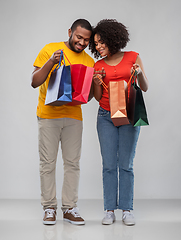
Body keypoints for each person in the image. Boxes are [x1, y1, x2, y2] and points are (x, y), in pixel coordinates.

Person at [31, 19, 94, 225]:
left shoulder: (88, 61)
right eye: (79, 37)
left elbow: (87, 97)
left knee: (72, 164)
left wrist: (95, 83)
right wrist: (51, 61)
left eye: (86, 40)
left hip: (74, 117)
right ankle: (49, 208)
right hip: (48, 115)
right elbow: (34, 81)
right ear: (70, 32)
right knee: (47, 163)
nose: (82, 42)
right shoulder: (50, 49)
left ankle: (70, 208)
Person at [89, 19, 148, 226]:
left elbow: (145, 87)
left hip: (129, 114)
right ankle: (109, 209)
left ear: (112, 38)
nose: (98, 46)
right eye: (95, 44)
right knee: (108, 165)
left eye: (101, 42)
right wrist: (97, 83)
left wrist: (139, 74)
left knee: (126, 165)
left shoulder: (133, 57)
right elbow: (97, 97)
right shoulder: (98, 65)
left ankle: (127, 209)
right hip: (105, 116)